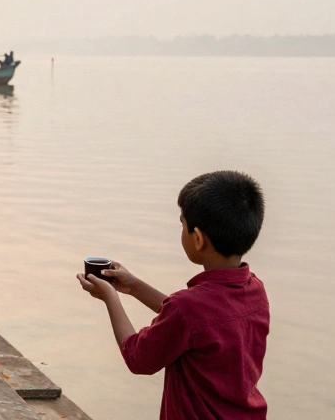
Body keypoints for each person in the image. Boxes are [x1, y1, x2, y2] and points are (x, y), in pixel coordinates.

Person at [76, 171, 269, 420]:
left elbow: (137, 358)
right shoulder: (255, 291)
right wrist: (134, 287)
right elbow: (197, 324)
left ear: (197, 238)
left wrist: (110, 298)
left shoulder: (189, 307)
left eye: (183, 224)